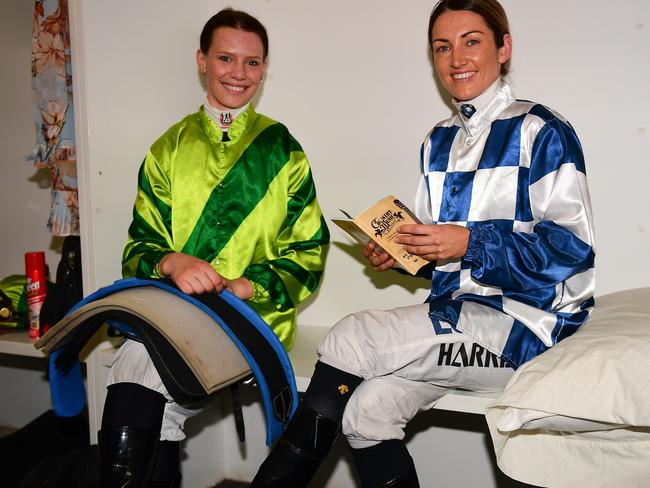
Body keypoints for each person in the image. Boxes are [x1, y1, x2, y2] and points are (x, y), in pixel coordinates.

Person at [250, 0, 595, 486]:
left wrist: (469, 242)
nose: (457, 58)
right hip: (461, 316)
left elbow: (570, 253)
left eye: (471, 41)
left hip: (528, 329)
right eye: (442, 47)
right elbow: (449, 257)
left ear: (504, 48)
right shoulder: (437, 141)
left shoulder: (543, 130)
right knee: (365, 413)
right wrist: (405, 256)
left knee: (353, 335)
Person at [98, 8, 329, 488]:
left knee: (139, 373)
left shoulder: (283, 150)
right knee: (133, 370)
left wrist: (247, 286)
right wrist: (172, 261)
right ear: (202, 61)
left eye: (252, 62)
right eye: (226, 58)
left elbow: (309, 251)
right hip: (176, 315)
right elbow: (138, 248)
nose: (239, 74)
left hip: (254, 320)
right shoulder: (168, 148)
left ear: (264, 68)